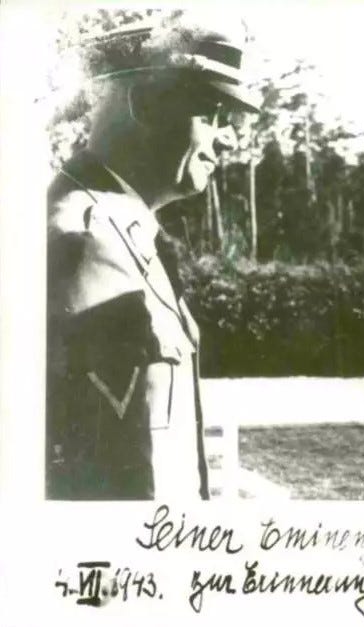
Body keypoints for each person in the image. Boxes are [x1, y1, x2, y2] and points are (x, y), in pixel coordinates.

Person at [46, 14, 261, 499]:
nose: (229, 137)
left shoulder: (124, 230)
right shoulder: (85, 242)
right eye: (213, 114)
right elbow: (103, 484)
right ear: (146, 103)